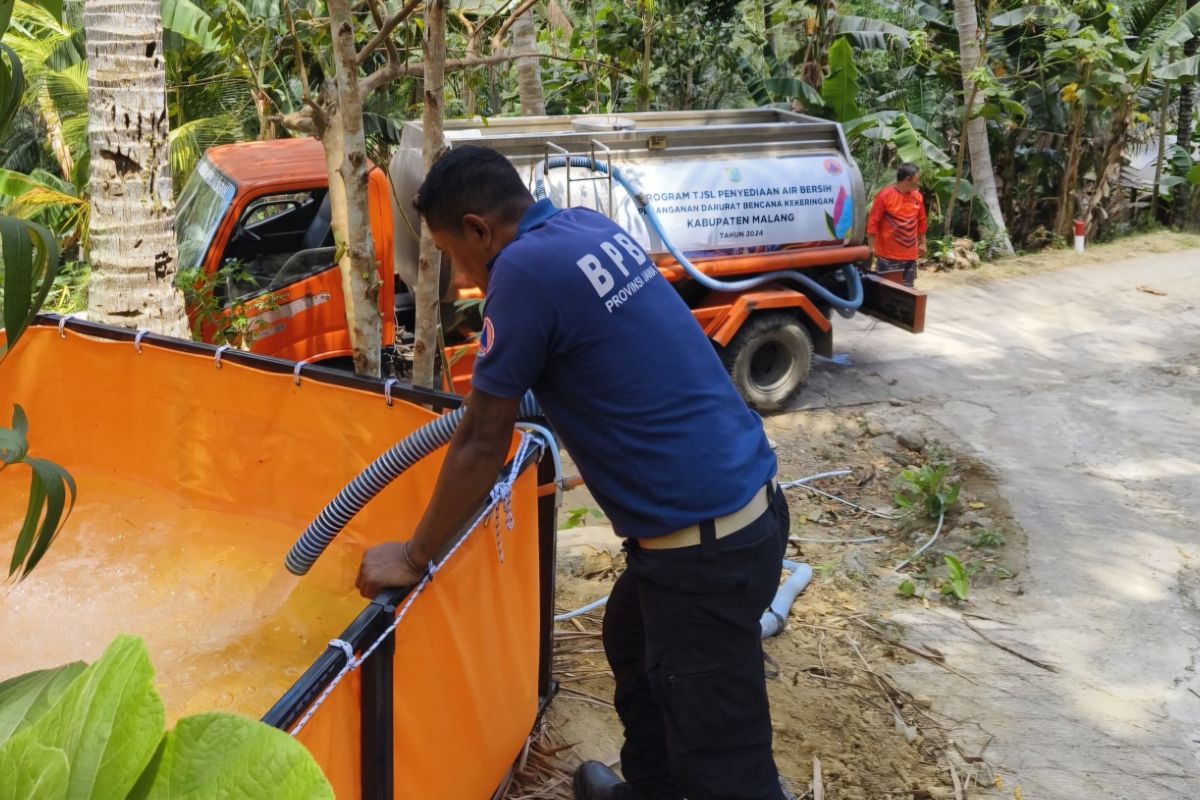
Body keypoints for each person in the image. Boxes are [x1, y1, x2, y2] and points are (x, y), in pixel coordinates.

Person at [355, 145, 791, 800]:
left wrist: (416, 556)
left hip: (704, 553)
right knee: (632, 639)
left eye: (451, 253)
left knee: (725, 767)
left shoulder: (522, 272)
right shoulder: (588, 227)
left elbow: (479, 438)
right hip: (747, 508)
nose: (461, 272)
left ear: (478, 229)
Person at [866, 163, 928, 287]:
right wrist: (871, 248)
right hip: (888, 257)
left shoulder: (917, 197)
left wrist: (923, 243)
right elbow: (873, 223)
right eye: (917, 178)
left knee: (907, 292)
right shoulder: (885, 196)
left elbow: (922, 222)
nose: (919, 181)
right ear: (908, 179)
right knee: (887, 291)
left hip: (910, 257)